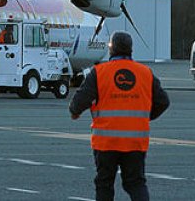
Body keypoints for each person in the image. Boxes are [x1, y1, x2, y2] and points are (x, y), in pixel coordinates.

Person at [69, 31, 170, 201]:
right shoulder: (145, 73)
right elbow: (163, 101)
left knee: (104, 183)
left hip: (106, 141)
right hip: (135, 141)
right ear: (131, 49)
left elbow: (80, 100)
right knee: (135, 183)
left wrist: (75, 112)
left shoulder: (99, 72)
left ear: (111, 48)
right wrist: (144, 117)